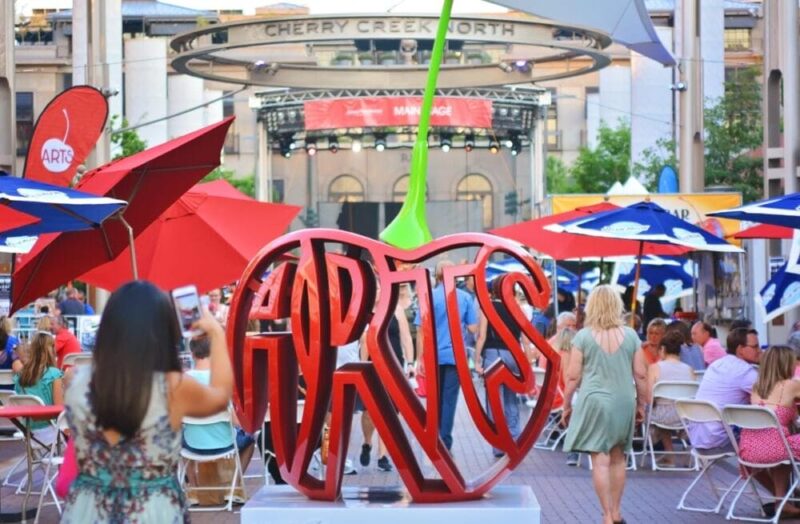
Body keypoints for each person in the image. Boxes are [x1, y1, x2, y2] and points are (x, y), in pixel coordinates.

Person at [60, 281, 234, 522]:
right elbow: (220, 396)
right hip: (152, 510)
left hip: (88, 508)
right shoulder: (172, 387)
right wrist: (216, 332)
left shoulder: (75, 381)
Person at [562, 285, 648, 524]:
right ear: (616, 305)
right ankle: (618, 511)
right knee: (619, 458)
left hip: (595, 401)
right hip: (623, 400)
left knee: (600, 460)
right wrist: (642, 404)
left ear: (592, 306)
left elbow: (572, 377)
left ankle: (607, 515)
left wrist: (566, 404)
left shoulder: (583, 336)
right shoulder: (631, 335)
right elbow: (641, 374)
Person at [415, 260, 478, 451]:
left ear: (437, 275)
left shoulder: (428, 296)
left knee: (435, 399)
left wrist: (420, 359)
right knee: (449, 399)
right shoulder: (465, 297)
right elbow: (473, 328)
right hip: (455, 356)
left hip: (433, 355)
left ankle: (433, 437)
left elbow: (420, 331)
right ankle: (445, 441)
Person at [738, 346, 800, 518]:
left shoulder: (757, 387)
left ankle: (782, 501)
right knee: (785, 450)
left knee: (782, 452)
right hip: (777, 448)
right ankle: (786, 498)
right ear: (786, 363)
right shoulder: (792, 385)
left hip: (748, 451)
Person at [475, 276, 532, 457]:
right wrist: (528, 363)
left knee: (494, 401)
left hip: (493, 355)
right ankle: (515, 439)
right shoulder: (517, 308)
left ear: (492, 290)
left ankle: (499, 444)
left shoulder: (487, 307)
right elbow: (526, 339)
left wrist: (476, 360)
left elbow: (482, 336)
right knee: (511, 397)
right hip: (514, 356)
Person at [360, 283, 414, 471]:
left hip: (393, 366)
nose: (378, 291)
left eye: (379, 288)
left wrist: (409, 362)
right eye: (374, 288)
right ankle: (367, 443)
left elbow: (406, 337)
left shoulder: (395, 309)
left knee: (389, 411)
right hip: (371, 367)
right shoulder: (363, 312)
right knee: (369, 413)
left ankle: (383, 456)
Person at [182, 337, 255, 472]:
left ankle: (193, 486)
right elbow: (237, 421)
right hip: (224, 445)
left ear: (192, 354)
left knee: (179, 442)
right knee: (250, 438)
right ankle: (236, 482)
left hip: (192, 446)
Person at [687, 327, 760, 450]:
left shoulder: (717, 364)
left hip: (697, 436)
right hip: (720, 438)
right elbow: (771, 396)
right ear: (740, 349)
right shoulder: (744, 371)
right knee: (772, 432)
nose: (760, 350)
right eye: (755, 347)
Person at [646, 331, 695, 461]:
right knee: (669, 408)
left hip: (663, 416)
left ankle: (670, 453)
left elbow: (649, 398)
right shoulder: (689, 369)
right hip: (684, 416)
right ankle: (687, 452)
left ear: (663, 349)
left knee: (656, 410)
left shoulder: (655, 367)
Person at [13, 333, 63, 431]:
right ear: (51, 350)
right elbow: (60, 411)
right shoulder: (54, 374)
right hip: (51, 431)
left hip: (28, 433)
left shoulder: (20, 375)